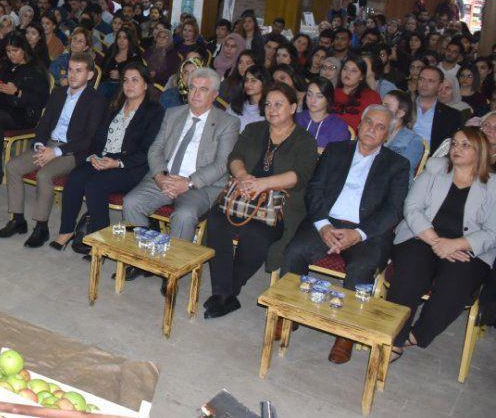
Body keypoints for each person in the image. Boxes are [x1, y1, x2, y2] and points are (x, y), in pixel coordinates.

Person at [282, 105, 410, 364]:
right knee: (295, 251)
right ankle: (287, 315)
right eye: (368, 122)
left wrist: (358, 234)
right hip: (327, 221)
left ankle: (345, 335)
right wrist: (323, 225)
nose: (371, 129)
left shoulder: (397, 165)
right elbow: (314, 189)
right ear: (360, 124)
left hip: (367, 231)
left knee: (362, 267)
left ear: (387, 134)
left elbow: (393, 211)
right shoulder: (336, 150)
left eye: (380, 127)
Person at [204, 82, 319, 319]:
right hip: (242, 195)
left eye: (278, 104)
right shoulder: (254, 129)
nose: (271, 109)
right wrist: (243, 176)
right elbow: (235, 157)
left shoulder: (304, 140)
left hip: (279, 207)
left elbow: (299, 175)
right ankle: (223, 293)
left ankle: (229, 290)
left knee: (256, 233)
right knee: (216, 220)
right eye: (267, 104)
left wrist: (263, 184)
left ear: (293, 108)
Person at [388, 128, 496, 362]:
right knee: (410, 275)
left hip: (467, 248)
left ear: (480, 151)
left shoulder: (493, 185)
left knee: (456, 285)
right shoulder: (435, 168)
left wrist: (457, 244)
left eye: (465, 145)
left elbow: (492, 232)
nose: (456, 149)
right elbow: (412, 208)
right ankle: (394, 338)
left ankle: (416, 335)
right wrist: (437, 242)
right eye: (454, 143)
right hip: (422, 237)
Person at [122, 68, 239, 254]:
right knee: (131, 203)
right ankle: (142, 256)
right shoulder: (172, 114)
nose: (196, 94)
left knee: (184, 215)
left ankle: (173, 265)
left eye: (203, 89)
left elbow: (222, 164)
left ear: (215, 95)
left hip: (201, 186)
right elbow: (155, 148)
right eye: (192, 88)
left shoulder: (228, 122)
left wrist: (188, 183)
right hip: (165, 177)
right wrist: (160, 176)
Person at [0, 52, 106, 248]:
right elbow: (44, 124)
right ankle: (17, 220)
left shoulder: (96, 100)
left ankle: (41, 227)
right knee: (12, 166)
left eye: (79, 71)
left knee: (44, 175)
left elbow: (87, 139)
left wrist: (55, 152)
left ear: (89, 75)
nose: (72, 75)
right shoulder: (58, 93)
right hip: (48, 144)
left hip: (72, 152)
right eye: (70, 70)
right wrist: (40, 145)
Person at [53, 63, 164, 252]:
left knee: (95, 184)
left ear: (146, 84)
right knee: (75, 177)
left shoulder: (154, 112)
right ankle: (67, 231)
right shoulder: (115, 105)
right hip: (105, 157)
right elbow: (98, 136)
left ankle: (100, 242)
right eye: (125, 80)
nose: (129, 85)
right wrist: (94, 156)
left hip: (131, 166)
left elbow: (147, 150)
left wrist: (117, 163)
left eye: (135, 80)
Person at [0, 32, 50, 188]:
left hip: (24, 114)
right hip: (1, 108)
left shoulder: (35, 69)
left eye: (15, 51)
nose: (11, 55)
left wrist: (17, 93)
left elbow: (40, 100)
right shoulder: (5, 65)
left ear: (24, 49)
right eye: (8, 51)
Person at [413, 66, 462, 154]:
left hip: (431, 158)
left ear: (440, 86)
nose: (424, 84)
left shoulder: (451, 115)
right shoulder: (403, 106)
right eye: (421, 79)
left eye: (431, 81)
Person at [296, 77, 351, 152]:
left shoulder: (338, 126)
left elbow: (337, 153)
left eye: (319, 96)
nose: (312, 100)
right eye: (309, 94)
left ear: (328, 99)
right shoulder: (295, 119)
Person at [383, 90, 426, 184]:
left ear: (400, 113)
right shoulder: (376, 132)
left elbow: (400, 171)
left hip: (392, 187)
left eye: (386, 106)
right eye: (381, 104)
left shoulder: (414, 141)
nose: (380, 109)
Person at [334, 57, 382, 130]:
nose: (348, 73)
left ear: (361, 77)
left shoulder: (371, 96)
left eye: (354, 71)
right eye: (345, 69)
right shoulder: (331, 93)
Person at [99, 27, 141, 99]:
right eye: (119, 37)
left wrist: (121, 76)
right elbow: (102, 68)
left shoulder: (135, 56)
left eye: (125, 38)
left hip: (123, 88)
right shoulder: (112, 49)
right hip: (105, 84)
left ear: (130, 40)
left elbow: (136, 76)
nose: (121, 40)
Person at [228, 64, 269, 130]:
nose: (248, 84)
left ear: (264, 83)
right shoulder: (235, 105)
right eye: (246, 80)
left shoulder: (269, 109)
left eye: (253, 81)